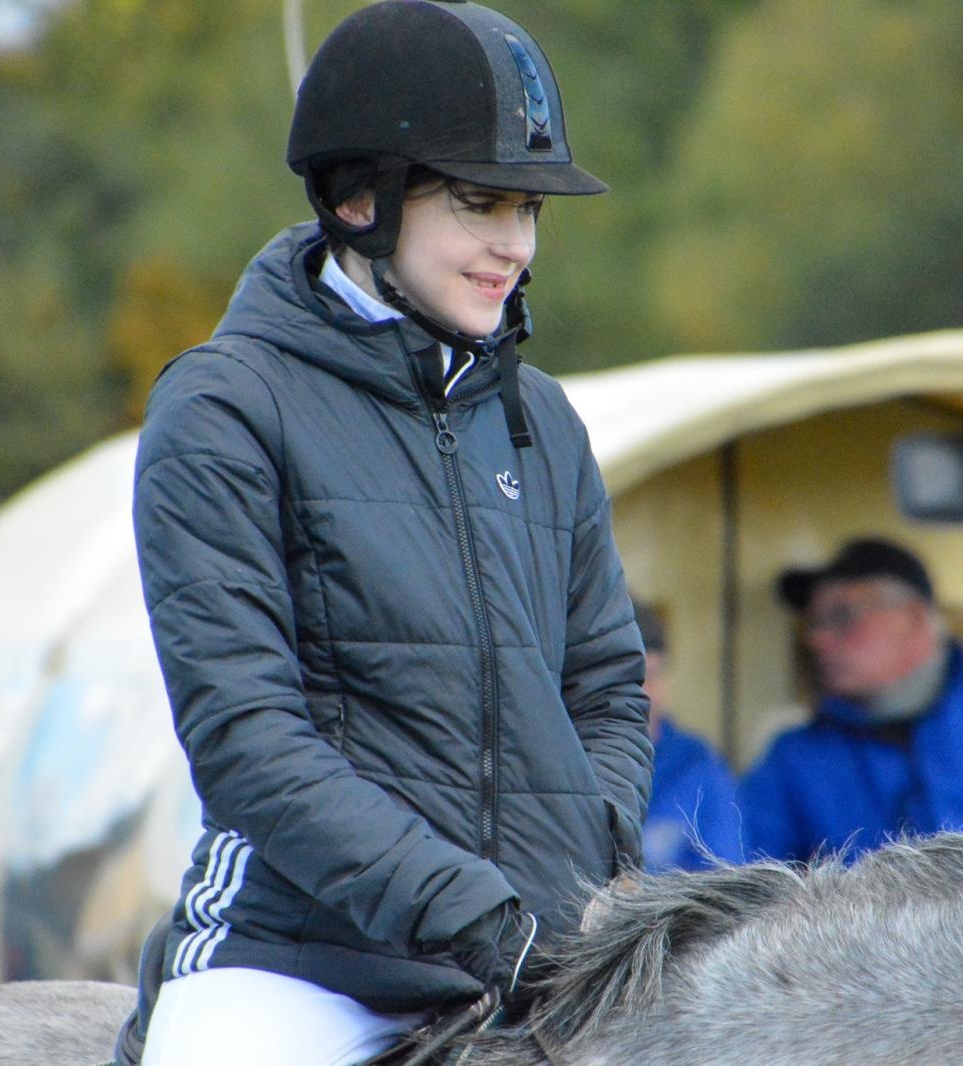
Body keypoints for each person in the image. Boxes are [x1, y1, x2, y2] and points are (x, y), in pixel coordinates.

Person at [125, 4, 652, 1063]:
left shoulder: (540, 419)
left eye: (529, 211)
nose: (516, 245)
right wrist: (475, 914)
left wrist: (581, 876)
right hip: (299, 964)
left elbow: (604, 684)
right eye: (481, 204)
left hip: (542, 957)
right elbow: (247, 740)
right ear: (361, 200)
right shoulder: (226, 408)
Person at [736, 537, 963, 863]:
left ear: (915, 618)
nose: (819, 639)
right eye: (813, 623)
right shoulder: (794, 759)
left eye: (842, 617)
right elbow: (744, 879)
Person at [632, 600, 742, 871]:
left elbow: (726, 884)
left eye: (653, 676)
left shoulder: (698, 766)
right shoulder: (567, 766)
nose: (645, 695)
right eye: (630, 680)